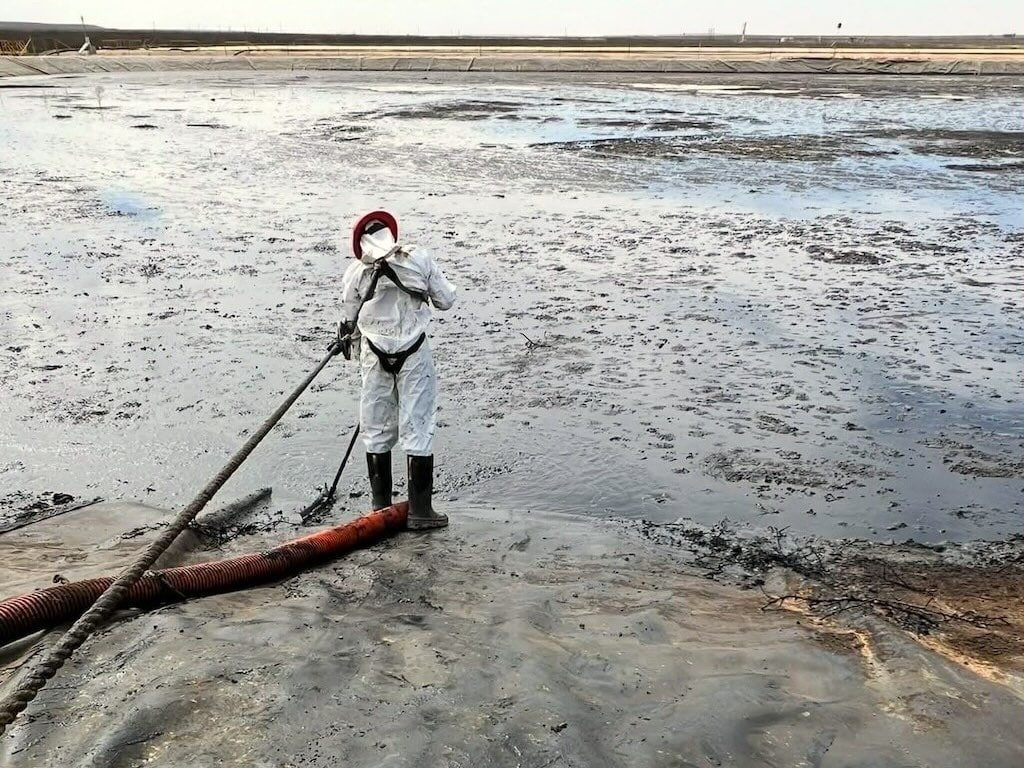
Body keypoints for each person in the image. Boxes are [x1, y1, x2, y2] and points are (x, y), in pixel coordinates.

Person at [337, 211, 457, 530]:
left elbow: (349, 320)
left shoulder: (355, 273)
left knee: (375, 425)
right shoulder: (419, 259)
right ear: (391, 234)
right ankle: (420, 511)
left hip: (373, 355)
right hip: (414, 352)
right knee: (418, 423)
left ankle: (380, 510)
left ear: (361, 242)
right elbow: (446, 300)